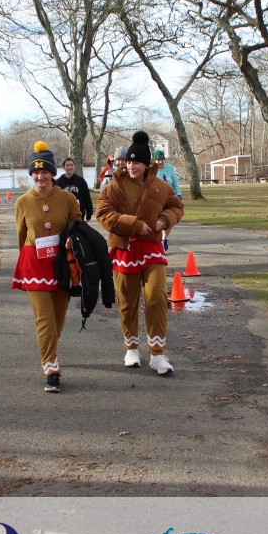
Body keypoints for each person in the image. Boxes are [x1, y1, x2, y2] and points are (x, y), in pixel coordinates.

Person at [97, 131, 184, 376]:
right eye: (129, 162)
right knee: (127, 301)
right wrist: (133, 224)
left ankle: (157, 354)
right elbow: (103, 215)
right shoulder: (114, 186)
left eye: (137, 162)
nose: (131, 166)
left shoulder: (160, 186)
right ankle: (131, 348)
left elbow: (177, 206)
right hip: (124, 249)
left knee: (156, 297)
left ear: (146, 164)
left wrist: (164, 220)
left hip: (152, 248)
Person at [12, 141, 82, 392]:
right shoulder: (22, 202)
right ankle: (51, 369)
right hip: (34, 265)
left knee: (58, 320)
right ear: (31, 174)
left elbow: (78, 228)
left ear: (52, 173)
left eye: (44, 172)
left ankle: (50, 350)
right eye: (35, 172)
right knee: (44, 320)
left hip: (61, 265)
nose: (40, 177)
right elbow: (21, 236)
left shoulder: (68, 198)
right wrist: (26, 260)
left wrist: (72, 243)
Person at [153, 149, 182, 252]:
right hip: (157, 199)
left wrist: (178, 193)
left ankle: (164, 239)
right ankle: (158, 240)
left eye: (162, 159)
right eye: (158, 160)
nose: (160, 162)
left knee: (169, 220)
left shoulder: (169, 168)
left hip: (169, 198)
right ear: (154, 161)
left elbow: (174, 183)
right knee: (159, 221)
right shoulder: (152, 170)